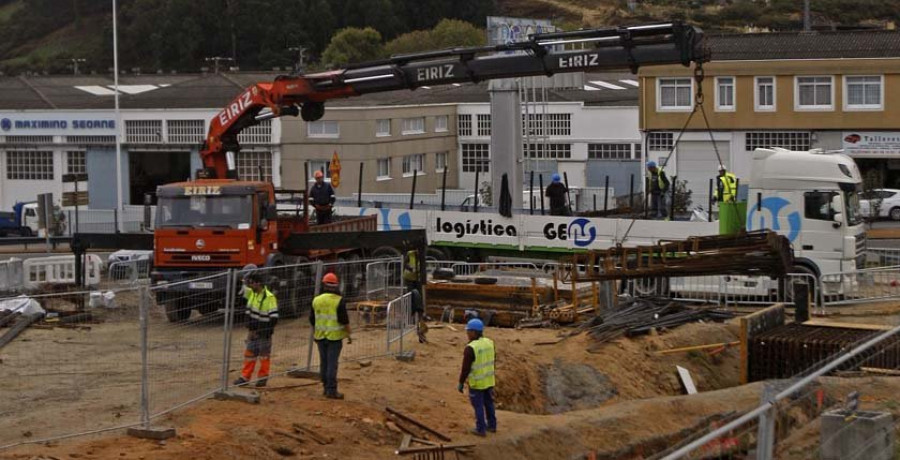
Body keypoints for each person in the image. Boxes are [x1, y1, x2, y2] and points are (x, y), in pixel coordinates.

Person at [310, 272, 352, 399]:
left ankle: (325, 387)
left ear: (324, 284)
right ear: (336, 286)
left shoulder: (316, 300)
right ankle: (331, 390)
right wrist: (349, 334)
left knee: (324, 363)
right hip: (334, 338)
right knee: (332, 364)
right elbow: (344, 320)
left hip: (320, 336)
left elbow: (312, 319)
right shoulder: (339, 301)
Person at [234, 272, 279, 388]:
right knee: (249, 354)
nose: (249, 285)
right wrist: (250, 330)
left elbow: (274, 318)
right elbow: (249, 313)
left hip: (264, 333)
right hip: (253, 332)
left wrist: (261, 331)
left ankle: (262, 379)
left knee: (264, 356)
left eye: (251, 283)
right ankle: (245, 377)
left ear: (258, 283)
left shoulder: (269, 298)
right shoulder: (253, 294)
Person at [457, 318, 496, 437]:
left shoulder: (471, 348)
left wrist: (461, 382)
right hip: (489, 381)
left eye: (468, 331)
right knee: (489, 404)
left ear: (474, 332)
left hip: (477, 383)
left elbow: (465, 369)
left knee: (478, 406)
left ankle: (481, 429)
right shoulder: (490, 342)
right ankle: (492, 426)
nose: (467, 334)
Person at [402, 249, 427, 343]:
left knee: (418, 298)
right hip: (409, 279)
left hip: (417, 279)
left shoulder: (422, 255)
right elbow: (404, 265)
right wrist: (410, 268)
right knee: (412, 296)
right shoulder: (410, 253)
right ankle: (411, 314)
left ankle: (419, 317)